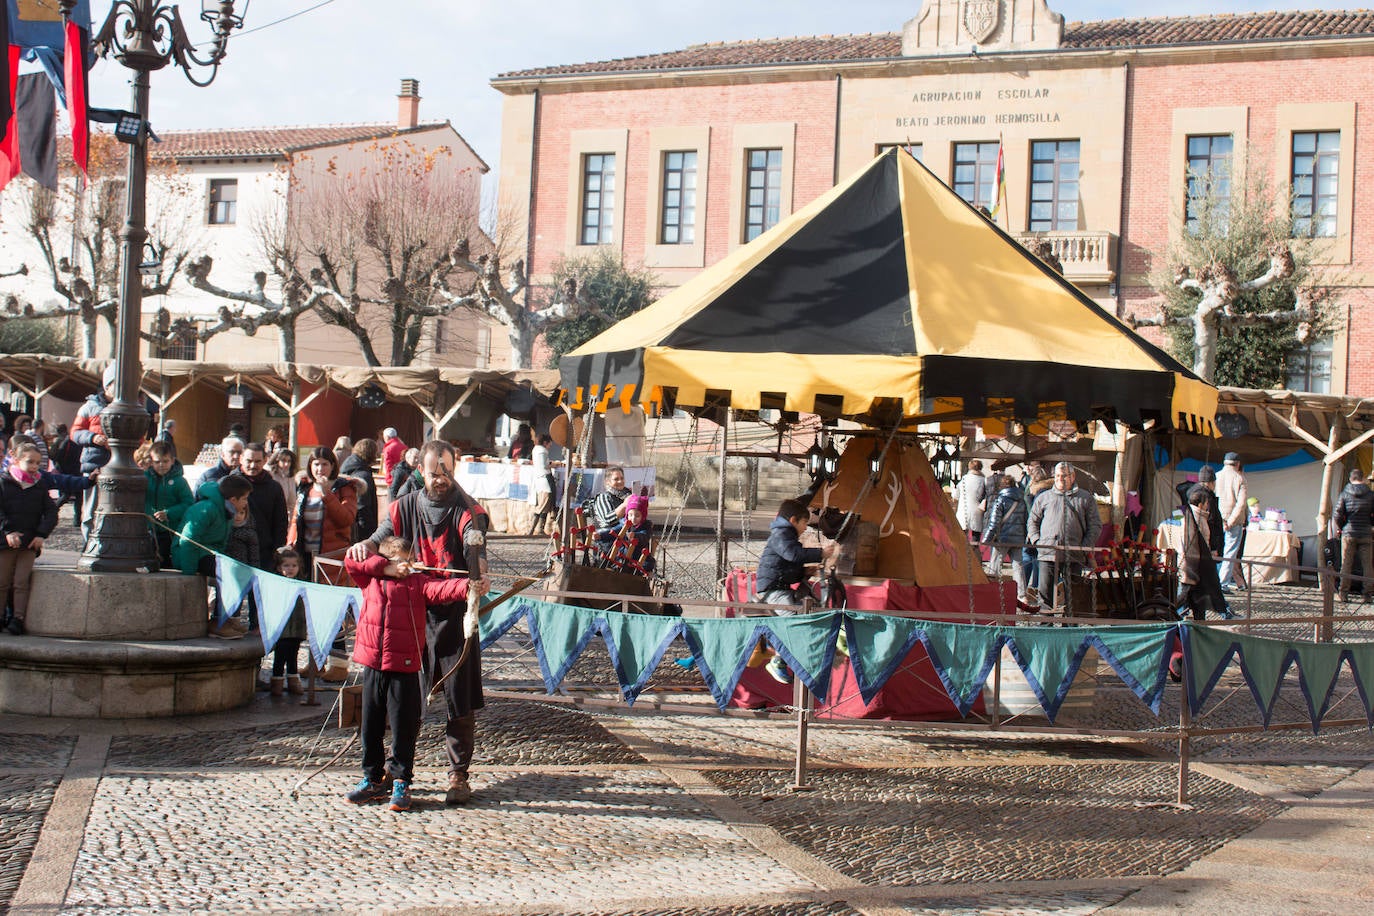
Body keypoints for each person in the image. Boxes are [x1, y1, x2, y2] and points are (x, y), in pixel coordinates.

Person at [346, 440, 490, 807]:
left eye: (446, 470)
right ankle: (393, 777)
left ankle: (458, 774)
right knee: (402, 702)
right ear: (420, 471)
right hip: (410, 617)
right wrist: (367, 548)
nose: (440, 478)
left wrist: (478, 576)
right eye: (433, 471)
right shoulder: (402, 508)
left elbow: (475, 552)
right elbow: (377, 541)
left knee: (459, 698)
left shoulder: (466, 511)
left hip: (455, 615)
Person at [343, 535, 474, 812]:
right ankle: (372, 779)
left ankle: (401, 781)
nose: (406, 567)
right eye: (400, 562)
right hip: (373, 664)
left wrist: (469, 586)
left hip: (403, 666)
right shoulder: (371, 580)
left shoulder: (417, 583)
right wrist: (384, 568)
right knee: (370, 727)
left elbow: (443, 590)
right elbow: (352, 563)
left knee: (403, 727)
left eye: (408, 561)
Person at [754, 497, 836, 683]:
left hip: (780, 587)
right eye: (805, 522)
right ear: (793, 520)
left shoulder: (786, 536)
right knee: (794, 620)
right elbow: (793, 554)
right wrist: (820, 553)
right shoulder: (781, 535)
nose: (806, 527)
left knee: (807, 613)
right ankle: (777, 660)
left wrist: (804, 571)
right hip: (772, 591)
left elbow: (790, 563)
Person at [171, 475, 254, 639]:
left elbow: (219, 543)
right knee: (228, 575)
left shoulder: (227, 511)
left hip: (209, 553)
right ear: (233, 499)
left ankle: (227, 618)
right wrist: (189, 572)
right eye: (244, 499)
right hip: (192, 555)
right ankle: (218, 623)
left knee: (238, 573)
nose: (246, 503)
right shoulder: (207, 509)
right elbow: (188, 541)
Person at [1027, 462, 1102, 613]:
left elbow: (1095, 525)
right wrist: (1037, 541)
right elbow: (1032, 521)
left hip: (1074, 554)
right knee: (1045, 594)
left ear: (1072, 477)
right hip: (1047, 553)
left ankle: (1070, 626)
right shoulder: (1044, 498)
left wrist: (1084, 546)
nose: (1061, 479)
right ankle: (1045, 626)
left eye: (1064, 476)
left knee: (1073, 594)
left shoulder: (1085, 498)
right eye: (1058, 476)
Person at [0, 441, 57, 635]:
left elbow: (51, 512)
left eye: (37, 463)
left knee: (21, 582)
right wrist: (8, 531)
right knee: (2, 582)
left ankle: (18, 618)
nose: (34, 467)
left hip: (29, 542)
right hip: (5, 542)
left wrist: (41, 534)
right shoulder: (4, 482)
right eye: (29, 462)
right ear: (16, 460)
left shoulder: (39, 485)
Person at [288, 447, 361, 571]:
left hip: (331, 556)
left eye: (325, 464)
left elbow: (346, 519)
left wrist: (326, 494)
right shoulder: (305, 488)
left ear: (332, 466)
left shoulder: (344, 488)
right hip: (304, 554)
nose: (320, 469)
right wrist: (290, 543)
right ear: (310, 466)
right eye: (316, 464)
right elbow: (296, 520)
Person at [70, 364, 117, 542]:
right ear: (107, 386)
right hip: (94, 463)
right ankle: (89, 540)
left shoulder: (130, 407)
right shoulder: (89, 407)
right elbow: (75, 432)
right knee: (91, 506)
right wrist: (92, 438)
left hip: (115, 463)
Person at [144, 441, 194, 568]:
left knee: (167, 564)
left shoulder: (179, 482)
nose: (161, 465)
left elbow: (188, 503)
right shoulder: (144, 479)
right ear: (151, 462)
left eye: (165, 461)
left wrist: (169, 513)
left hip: (170, 530)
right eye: (157, 462)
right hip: (149, 529)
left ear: (172, 460)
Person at [981, 473, 1029, 602]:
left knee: (995, 565)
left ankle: (992, 593)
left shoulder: (1000, 500)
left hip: (1002, 538)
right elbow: (1025, 520)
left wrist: (986, 539)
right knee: (1018, 567)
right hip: (1018, 538)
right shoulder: (1021, 501)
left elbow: (994, 522)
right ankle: (1022, 595)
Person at [269, 548, 310, 696]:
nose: (290, 569)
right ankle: (277, 681)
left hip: (298, 626)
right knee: (280, 655)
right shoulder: (277, 584)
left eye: (294, 565)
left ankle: (293, 680)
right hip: (282, 627)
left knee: (294, 654)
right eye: (286, 565)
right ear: (280, 567)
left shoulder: (302, 584)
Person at [1176, 486, 1218, 620]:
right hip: (1192, 566)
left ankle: (1199, 624)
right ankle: (1170, 618)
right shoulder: (1196, 519)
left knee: (1196, 600)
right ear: (1200, 504)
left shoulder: (1192, 516)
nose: (1208, 506)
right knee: (1183, 596)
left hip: (1193, 567)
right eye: (1206, 503)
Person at [1334, 468, 1374, 603]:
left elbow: (1337, 514)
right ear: (1362, 479)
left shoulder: (1345, 494)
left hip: (1349, 532)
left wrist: (1341, 527)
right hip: (1366, 533)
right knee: (1367, 565)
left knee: (1346, 563)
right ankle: (1367, 595)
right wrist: (1370, 525)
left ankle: (1343, 593)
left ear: (1351, 479)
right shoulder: (1370, 494)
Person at [1214, 452, 1249, 591]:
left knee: (1214, 551)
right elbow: (1241, 504)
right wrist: (1231, 521)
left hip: (1217, 519)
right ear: (1238, 464)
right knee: (1230, 552)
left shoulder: (1216, 476)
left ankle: (1213, 581)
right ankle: (1222, 583)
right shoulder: (1240, 478)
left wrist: (1219, 519)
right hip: (1232, 522)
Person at [340, 439, 380, 543]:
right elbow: (363, 507)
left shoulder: (349, 466)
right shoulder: (363, 475)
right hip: (360, 529)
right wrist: (369, 535)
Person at [1188, 467, 1225, 557]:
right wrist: (1213, 547)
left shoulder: (1191, 492)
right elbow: (1211, 521)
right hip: (1205, 544)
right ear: (1211, 482)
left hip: (1194, 542)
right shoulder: (1206, 496)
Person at [50, 423, 82, 526]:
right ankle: (77, 520)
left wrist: (59, 466)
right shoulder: (71, 441)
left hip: (65, 471)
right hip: (76, 470)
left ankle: (52, 511)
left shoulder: (60, 441)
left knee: (66, 495)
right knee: (77, 496)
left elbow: (55, 456)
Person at [590, 466, 631, 536]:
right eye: (616, 479)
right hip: (607, 538)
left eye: (622, 478)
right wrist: (625, 505)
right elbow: (607, 519)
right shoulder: (603, 497)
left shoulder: (627, 494)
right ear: (607, 482)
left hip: (625, 535)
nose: (620, 481)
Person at [954, 459, 988, 541]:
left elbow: (956, 496)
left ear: (969, 467)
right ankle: (975, 552)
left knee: (961, 539)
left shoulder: (963, 479)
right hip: (978, 511)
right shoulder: (984, 480)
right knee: (975, 539)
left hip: (963, 511)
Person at [528, 434, 555, 536]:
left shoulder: (536, 450)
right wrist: (554, 464)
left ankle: (540, 529)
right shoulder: (543, 451)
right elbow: (545, 465)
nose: (550, 445)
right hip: (544, 479)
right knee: (543, 505)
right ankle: (532, 529)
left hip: (540, 479)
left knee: (545, 506)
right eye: (549, 443)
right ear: (545, 442)